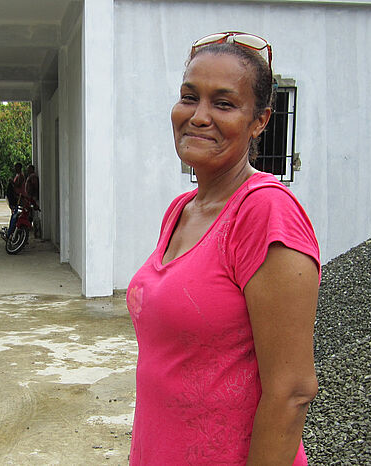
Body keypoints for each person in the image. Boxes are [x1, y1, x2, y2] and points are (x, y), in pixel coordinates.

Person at [126, 32, 320, 465]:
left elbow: (292, 391)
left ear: (260, 121)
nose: (198, 116)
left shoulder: (265, 212)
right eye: (189, 97)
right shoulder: (182, 209)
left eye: (224, 103)